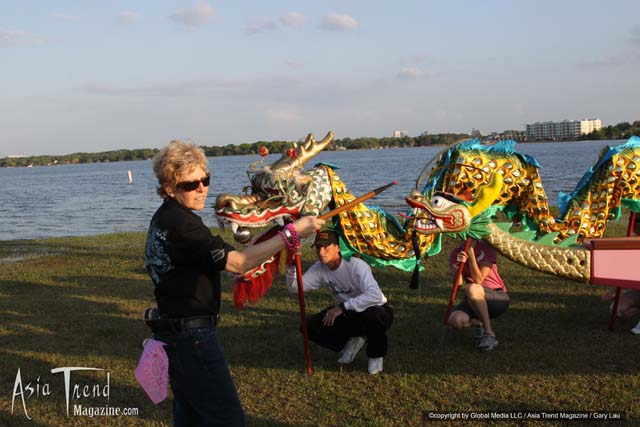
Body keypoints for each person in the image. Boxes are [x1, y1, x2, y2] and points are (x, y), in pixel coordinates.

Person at [144, 140, 324, 427]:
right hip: (193, 339)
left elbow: (215, 261)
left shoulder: (166, 218)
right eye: (191, 185)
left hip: (175, 335)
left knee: (190, 418)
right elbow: (239, 263)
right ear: (169, 188)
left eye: (205, 180)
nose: (202, 188)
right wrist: (291, 233)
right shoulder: (182, 224)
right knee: (227, 419)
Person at [285, 229, 394, 374]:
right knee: (307, 327)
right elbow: (295, 288)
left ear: (337, 247)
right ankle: (352, 342)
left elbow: (374, 295)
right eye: (318, 247)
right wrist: (292, 264)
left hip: (377, 309)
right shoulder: (319, 268)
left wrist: (342, 307)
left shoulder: (355, 265)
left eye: (326, 247)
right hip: (349, 313)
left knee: (373, 316)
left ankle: (375, 355)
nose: (321, 252)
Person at [447, 239, 509, 351]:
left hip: (496, 297)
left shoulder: (487, 249)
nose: (466, 239)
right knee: (455, 321)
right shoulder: (455, 253)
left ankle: (489, 334)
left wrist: (471, 255)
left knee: (472, 287)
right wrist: (458, 266)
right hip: (472, 297)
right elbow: (459, 284)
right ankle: (478, 322)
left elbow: (478, 280)